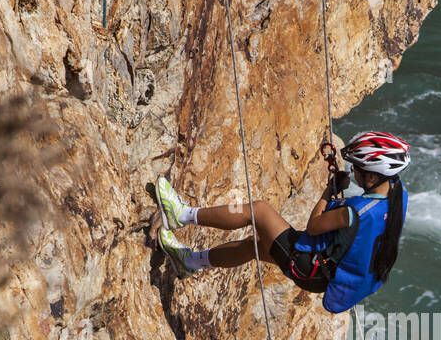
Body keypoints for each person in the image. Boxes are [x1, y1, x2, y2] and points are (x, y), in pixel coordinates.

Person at [154, 131, 410, 315]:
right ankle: (187, 262)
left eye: (357, 168)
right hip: (326, 272)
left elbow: (314, 225)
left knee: (259, 211)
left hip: (308, 267)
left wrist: (328, 191)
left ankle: (182, 215)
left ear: (373, 176)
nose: (353, 172)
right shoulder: (397, 197)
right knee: (252, 247)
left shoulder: (354, 212)